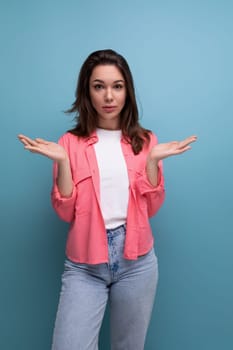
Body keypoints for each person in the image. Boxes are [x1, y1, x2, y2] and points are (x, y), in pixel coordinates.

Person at [18, 49, 197, 350]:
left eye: (117, 86)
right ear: (87, 92)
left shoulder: (146, 141)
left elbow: (151, 208)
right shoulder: (69, 143)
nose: (109, 96)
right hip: (85, 264)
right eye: (98, 86)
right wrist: (62, 161)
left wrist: (152, 160)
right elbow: (65, 212)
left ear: (128, 90)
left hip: (137, 262)